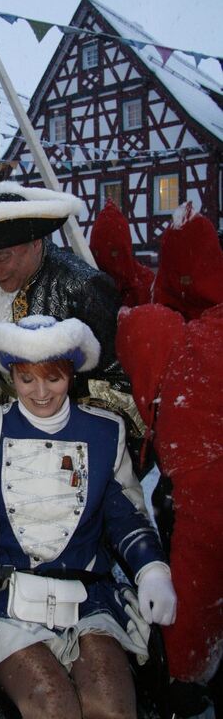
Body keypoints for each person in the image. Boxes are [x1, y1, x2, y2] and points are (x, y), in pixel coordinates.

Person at [0, 315, 177, 719]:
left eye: (54, 378)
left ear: (71, 374)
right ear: (12, 375)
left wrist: (151, 567)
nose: (41, 393)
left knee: (113, 710)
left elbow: (124, 518)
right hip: (9, 605)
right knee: (53, 707)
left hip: (89, 603)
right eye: (27, 379)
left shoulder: (104, 431)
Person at [0, 183, 138, 509]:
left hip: (63, 404)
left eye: (2, 257)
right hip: (6, 394)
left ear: (36, 243)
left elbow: (120, 383)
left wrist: (59, 421)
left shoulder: (83, 285)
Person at [116, 203, 223, 716]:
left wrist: (183, 669)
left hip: (201, 490)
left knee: (192, 556)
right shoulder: (195, 339)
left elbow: (202, 543)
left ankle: (188, 679)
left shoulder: (184, 389)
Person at [89, 198, 154, 307]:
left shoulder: (147, 286)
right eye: (97, 253)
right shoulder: (87, 287)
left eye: (114, 254)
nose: (107, 262)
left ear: (126, 251)